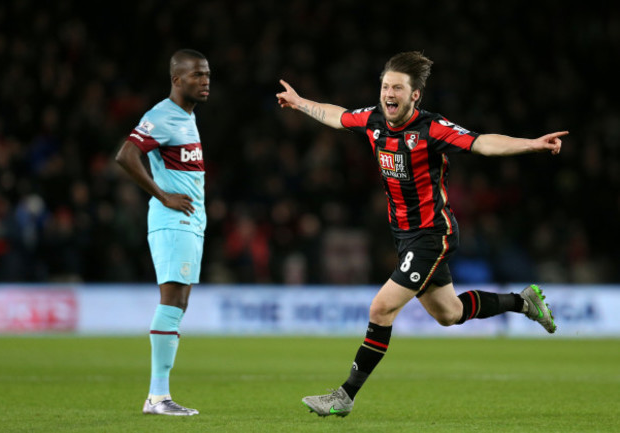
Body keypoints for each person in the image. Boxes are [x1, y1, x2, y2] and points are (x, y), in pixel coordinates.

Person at [276, 51, 567, 417]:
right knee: (449, 313)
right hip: (404, 236)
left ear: (415, 95)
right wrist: (301, 102)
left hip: (432, 234)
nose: (388, 93)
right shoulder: (374, 120)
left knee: (381, 308)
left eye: (397, 87)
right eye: (385, 86)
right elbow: (337, 116)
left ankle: (344, 396)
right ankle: (524, 302)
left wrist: (531, 143)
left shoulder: (432, 128)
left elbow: (481, 142)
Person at [115, 49, 210, 416]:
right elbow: (126, 155)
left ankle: (159, 396)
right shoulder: (163, 115)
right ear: (176, 79)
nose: (205, 82)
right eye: (197, 75)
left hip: (189, 221)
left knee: (178, 302)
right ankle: (157, 397)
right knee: (172, 303)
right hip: (173, 221)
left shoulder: (187, 117)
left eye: (207, 75)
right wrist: (163, 194)